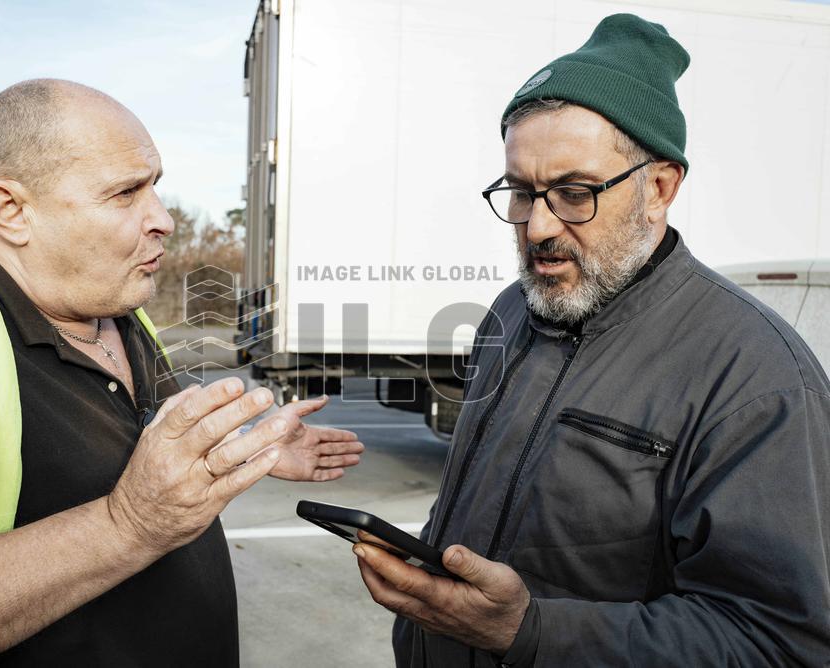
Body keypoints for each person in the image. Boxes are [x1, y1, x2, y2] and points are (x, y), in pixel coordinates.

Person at [0, 79, 363, 666]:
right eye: (125, 193)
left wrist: (238, 453)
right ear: (11, 210)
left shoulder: (115, 307)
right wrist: (126, 526)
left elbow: (130, 469)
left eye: (155, 187)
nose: (162, 218)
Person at [352, 13, 830, 667]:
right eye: (521, 193)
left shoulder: (757, 380)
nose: (539, 227)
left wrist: (529, 632)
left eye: (574, 193)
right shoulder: (509, 314)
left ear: (659, 189)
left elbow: (779, 645)